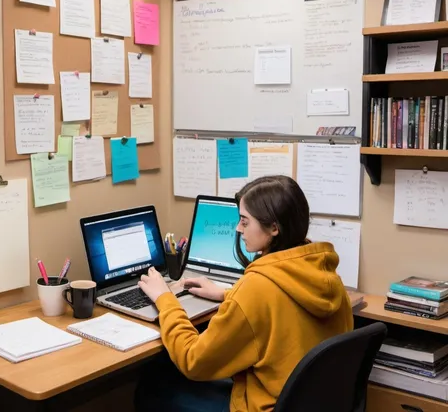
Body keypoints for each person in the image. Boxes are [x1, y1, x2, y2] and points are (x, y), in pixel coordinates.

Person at [135, 176, 353, 412]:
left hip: (263, 405)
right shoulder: (326, 276)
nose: (238, 228)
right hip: (309, 404)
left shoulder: (256, 289)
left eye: (245, 222)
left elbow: (193, 360)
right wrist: (228, 294)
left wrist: (164, 299)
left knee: (152, 383)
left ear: (274, 228)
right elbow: (282, 310)